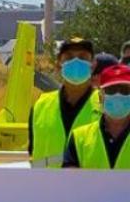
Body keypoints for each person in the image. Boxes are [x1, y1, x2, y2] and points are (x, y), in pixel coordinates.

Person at [29, 36, 101, 168]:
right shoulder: (40, 106)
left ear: (93, 65)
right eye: (69, 57)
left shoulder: (107, 106)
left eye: (83, 57)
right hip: (48, 186)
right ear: (58, 65)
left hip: (92, 187)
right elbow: (33, 152)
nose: (76, 61)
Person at [63, 63, 130, 170]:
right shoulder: (79, 137)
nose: (118, 95)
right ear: (100, 97)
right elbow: (69, 179)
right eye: (111, 90)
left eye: (125, 90)